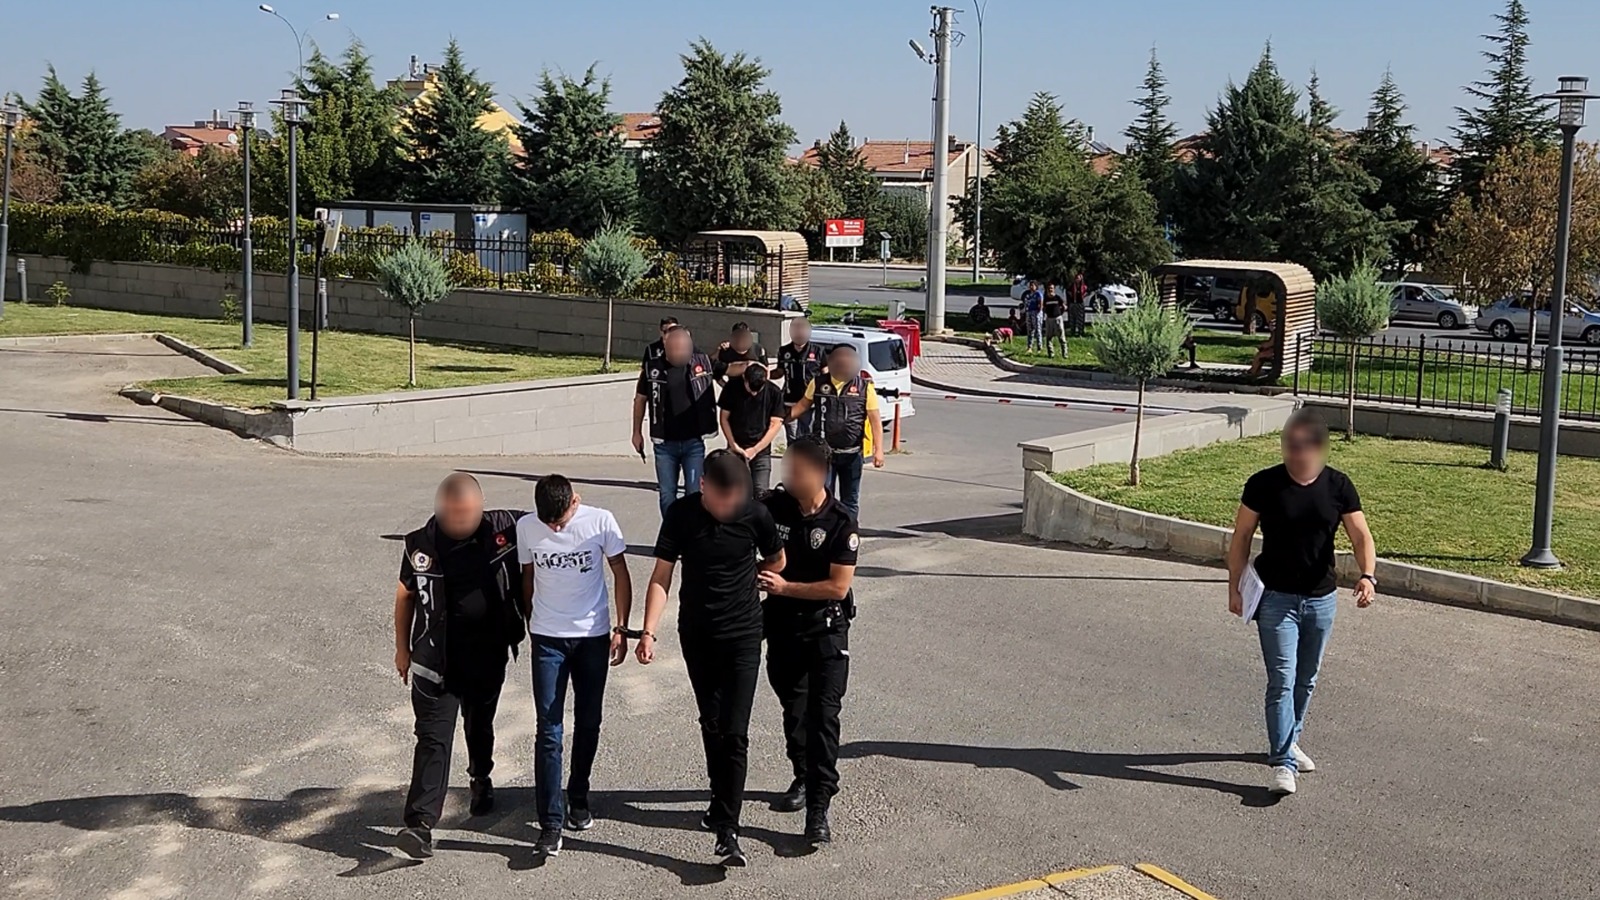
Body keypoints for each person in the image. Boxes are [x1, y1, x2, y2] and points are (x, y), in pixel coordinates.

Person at [639, 451, 786, 867]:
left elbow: (778, 559)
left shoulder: (756, 515)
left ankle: (728, 829)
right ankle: (718, 796)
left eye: (735, 500)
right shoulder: (681, 515)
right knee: (712, 722)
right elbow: (662, 575)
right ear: (703, 486)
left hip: (744, 635)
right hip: (698, 635)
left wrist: (759, 577)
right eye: (722, 501)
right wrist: (648, 631)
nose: (728, 509)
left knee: (735, 732)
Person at [1227, 410, 1377, 797]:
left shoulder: (1338, 486)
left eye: (1304, 446)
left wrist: (1367, 575)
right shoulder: (1263, 484)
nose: (1296, 453)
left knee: (1306, 679)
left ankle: (1290, 739)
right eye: (1290, 446)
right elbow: (1241, 536)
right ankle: (1282, 762)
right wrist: (1234, 587)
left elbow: (1361, 536)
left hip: (1321, 599)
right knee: (1281, 679)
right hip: (1275, 599)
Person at [394, 474, 526, 861]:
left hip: (487, 656)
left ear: (481, 507)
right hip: (435, 661)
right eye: (453, 514)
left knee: (479, 726)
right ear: (440, 510)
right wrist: (402, 649)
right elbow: (405, 594)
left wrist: (570, 504)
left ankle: (480, 776)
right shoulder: (420, 545)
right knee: (432, 740)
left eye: (468, 514)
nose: (461, 521)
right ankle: (419, 825)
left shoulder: (506, 527)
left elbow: (552, 516)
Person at [516, 475, 633, 858]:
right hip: (547, 638)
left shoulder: (600, 521)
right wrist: (532, 621)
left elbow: (620, 572)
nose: (555, 528)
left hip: (592, 637)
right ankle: (550, 823)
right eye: (548, 523)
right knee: (548, 730)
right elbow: (528, 577)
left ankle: (578, 795)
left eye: (561, 521)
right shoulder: (527, 527)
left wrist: (621, 628)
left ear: (575, 501)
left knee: (589, 721)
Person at [759, 437, 859, 845]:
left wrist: (785, 588)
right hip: (783, 628)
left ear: (819, 473)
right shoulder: (774, 507)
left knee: (823, 717)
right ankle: (802, 776)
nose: (789, 476)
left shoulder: (841, 522)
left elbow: (838, 587)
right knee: (794, 710)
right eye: (787, 468)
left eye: (797, 470)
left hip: (825, 631)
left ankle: (819, 806)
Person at [785, 343, 885, 518]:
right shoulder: (818, 383)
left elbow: (875, 421)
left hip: (852, 453)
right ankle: (824, 529)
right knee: (823, 497)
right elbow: (802, 406)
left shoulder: (864, 387)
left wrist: (879, 451)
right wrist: (780, 418)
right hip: (824, 453)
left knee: (850, 499)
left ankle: (848, 529)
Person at [634, 328, 724, 517]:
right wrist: (636, 432)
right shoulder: (652, 368)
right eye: (676, 348)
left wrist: (751, 366)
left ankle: (692, 531)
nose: (681, 352)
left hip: (693, 442)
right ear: (666, 346)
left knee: (695, 492)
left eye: (685, 348)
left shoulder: (702, 363)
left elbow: (730, 369)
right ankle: (671, 531)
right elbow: (640, 400)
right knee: (667, 494)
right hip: (664, 444)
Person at [718, 364, 786, 495]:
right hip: (736, 448)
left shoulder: (774, 392)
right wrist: (733, 445)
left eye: (758, 390)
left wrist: (755, 449)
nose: (754, 393)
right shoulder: (731, 388)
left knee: (761, 493)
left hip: (761, 450)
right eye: (750, 389)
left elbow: (775, 424)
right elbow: (724, 418)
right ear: (744, 378)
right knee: (734, 492)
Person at [773, 317, 825, 444]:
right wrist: (765, 374)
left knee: (808, 437)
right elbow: (779, 372)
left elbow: (826, 374)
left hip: (810, 403)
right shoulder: (784, 351)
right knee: (792, 438)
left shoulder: (818, 351)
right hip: (789, 401)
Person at [1041, 283, 1067, 358]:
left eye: (1052, 288)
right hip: (1049, 319)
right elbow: (1043, 308)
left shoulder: (1057, 298)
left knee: (1061, 337)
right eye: (1049, 288)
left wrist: (1060, 313)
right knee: (1049, 337)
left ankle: (1065, 354)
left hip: (1057, 319)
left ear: (1054, 289)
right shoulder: (1045, 299)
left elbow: (1064, 307)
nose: (1050, 290)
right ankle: (1051, 354)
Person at [1022, 281, 1045, 351]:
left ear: (1036, 286)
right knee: (1029, 330)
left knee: (1037, 330)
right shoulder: (1028, 295)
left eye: (1033, 285)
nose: (1031, 287)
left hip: (1036, 312)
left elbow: (1041, 303)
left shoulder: (1038, 294)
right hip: (1029, 312)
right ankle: (1029, 346)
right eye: (1030, 285)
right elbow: (1026, 303)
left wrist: (1039, 311)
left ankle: (1039, 347)